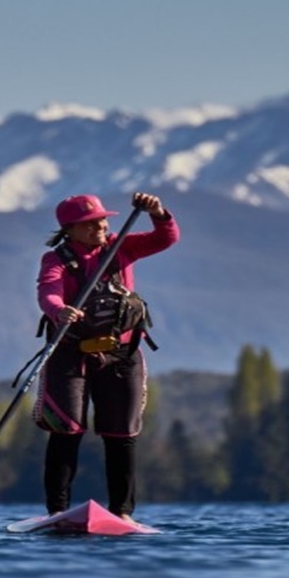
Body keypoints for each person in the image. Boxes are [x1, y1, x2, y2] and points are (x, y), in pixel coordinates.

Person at [32, 191, 180, 521]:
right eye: (91, 223)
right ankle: (57, 512)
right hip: (70, 355)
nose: (101, 225)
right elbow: (47, 290)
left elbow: (165, 238)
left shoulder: (121, 246)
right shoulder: (55, 259)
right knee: (65, 431)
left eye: (102, 219)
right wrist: (59, 310)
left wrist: (158, 212)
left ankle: (123, 513)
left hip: (121, 355)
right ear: (69, 229)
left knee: (121, 434)